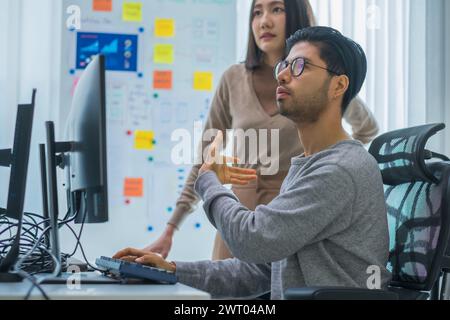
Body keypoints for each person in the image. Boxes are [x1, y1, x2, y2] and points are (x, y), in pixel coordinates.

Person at [114, 26, 391, 300]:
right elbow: (263, 271)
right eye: (283, 65)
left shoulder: (339, 169)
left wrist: (209, 180)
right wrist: (171, 270)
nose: (282, 75)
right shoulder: (309, 165)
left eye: (299, 66)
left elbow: (253, 240)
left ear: (338, 86)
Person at [145, 0, 380, 261]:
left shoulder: (319, 84)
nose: (264, 21)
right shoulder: (233, 79)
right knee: (228, 290)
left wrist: (325, 168)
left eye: (276, 9)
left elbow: (366, 129)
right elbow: (205, 160)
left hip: (292, 212)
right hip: (238, 215)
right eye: (257, 12)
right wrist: (170, 230)